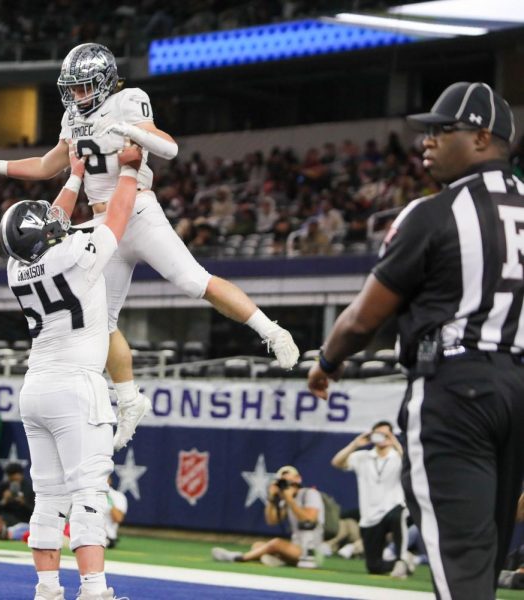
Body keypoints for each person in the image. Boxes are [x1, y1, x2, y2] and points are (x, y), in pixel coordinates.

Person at [0, 43, 299, 453]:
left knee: (195, 281)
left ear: (104, 82)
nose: (79, 96)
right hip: (102, 224)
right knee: (99, 321)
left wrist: (134, 133)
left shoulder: (129, 101)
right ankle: (129, 399)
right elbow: (50, 165)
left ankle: (272, 331)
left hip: (136, 210)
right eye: (74, 88)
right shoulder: (73, 117)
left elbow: (168, 147)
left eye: (86, 87)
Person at [308, 81, 524, 600]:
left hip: (457, 388)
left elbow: (363, 319)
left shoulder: (433, 213)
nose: (425, 141)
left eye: (440, 130)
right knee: (489, 551)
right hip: (518, 387)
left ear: (480, 137)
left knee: (463, 561)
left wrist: (328, 362)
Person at [0, 143, 143, 600]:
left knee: (48, 499)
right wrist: (129, 171)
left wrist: (74, 177)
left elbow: (50, 228)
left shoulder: (15, 268)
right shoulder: (76, 253)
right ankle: (94, 590)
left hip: (36, 386)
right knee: (88, 494)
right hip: (76, 387)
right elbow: (117, 220)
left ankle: (46, 590)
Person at [331, 420, 413, 578]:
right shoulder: (363, 457)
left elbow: (411, 465)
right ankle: (403, 563)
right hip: (370, 516)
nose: (382, 437)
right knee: (374, 566)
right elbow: (336, 462)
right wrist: (355, 444)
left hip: (392, 508)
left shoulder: (397, 456)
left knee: (399, 514)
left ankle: (401, 559)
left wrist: (395, 442)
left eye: (385, 434)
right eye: (378, 433)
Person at [212, 465, 324, 568]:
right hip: (296, 548)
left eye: (290, 481)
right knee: (258, 546)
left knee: (275, 544)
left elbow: (309, 519)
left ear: (298, 479)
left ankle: (239, 557)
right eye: (283, 482)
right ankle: (279, 560)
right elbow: (271, 521)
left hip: (312, 551)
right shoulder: (286, 500)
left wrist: (289, 500)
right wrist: (271, 498)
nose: (287, 485)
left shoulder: (310, 494)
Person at [105, 476, 127, 550]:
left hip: (106, 537)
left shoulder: (118, 496)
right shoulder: (87, 494)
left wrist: (108, 499)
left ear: (109, 480)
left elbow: (118, 518)